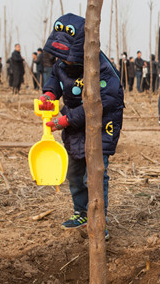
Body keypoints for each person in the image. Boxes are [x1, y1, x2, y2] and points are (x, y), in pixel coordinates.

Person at [38, 13, 124, 239]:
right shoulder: (62, 64)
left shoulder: (101, 69)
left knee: (94, 177)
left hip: (100, 128)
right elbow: (54, 81)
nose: (64, 61)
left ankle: (98, 223)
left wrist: (66, 120)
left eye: (67, 57)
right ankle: (81, 213)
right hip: (76, 128)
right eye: (61, 56)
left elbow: (102, 103)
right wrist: (49, 95)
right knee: (75, 174)